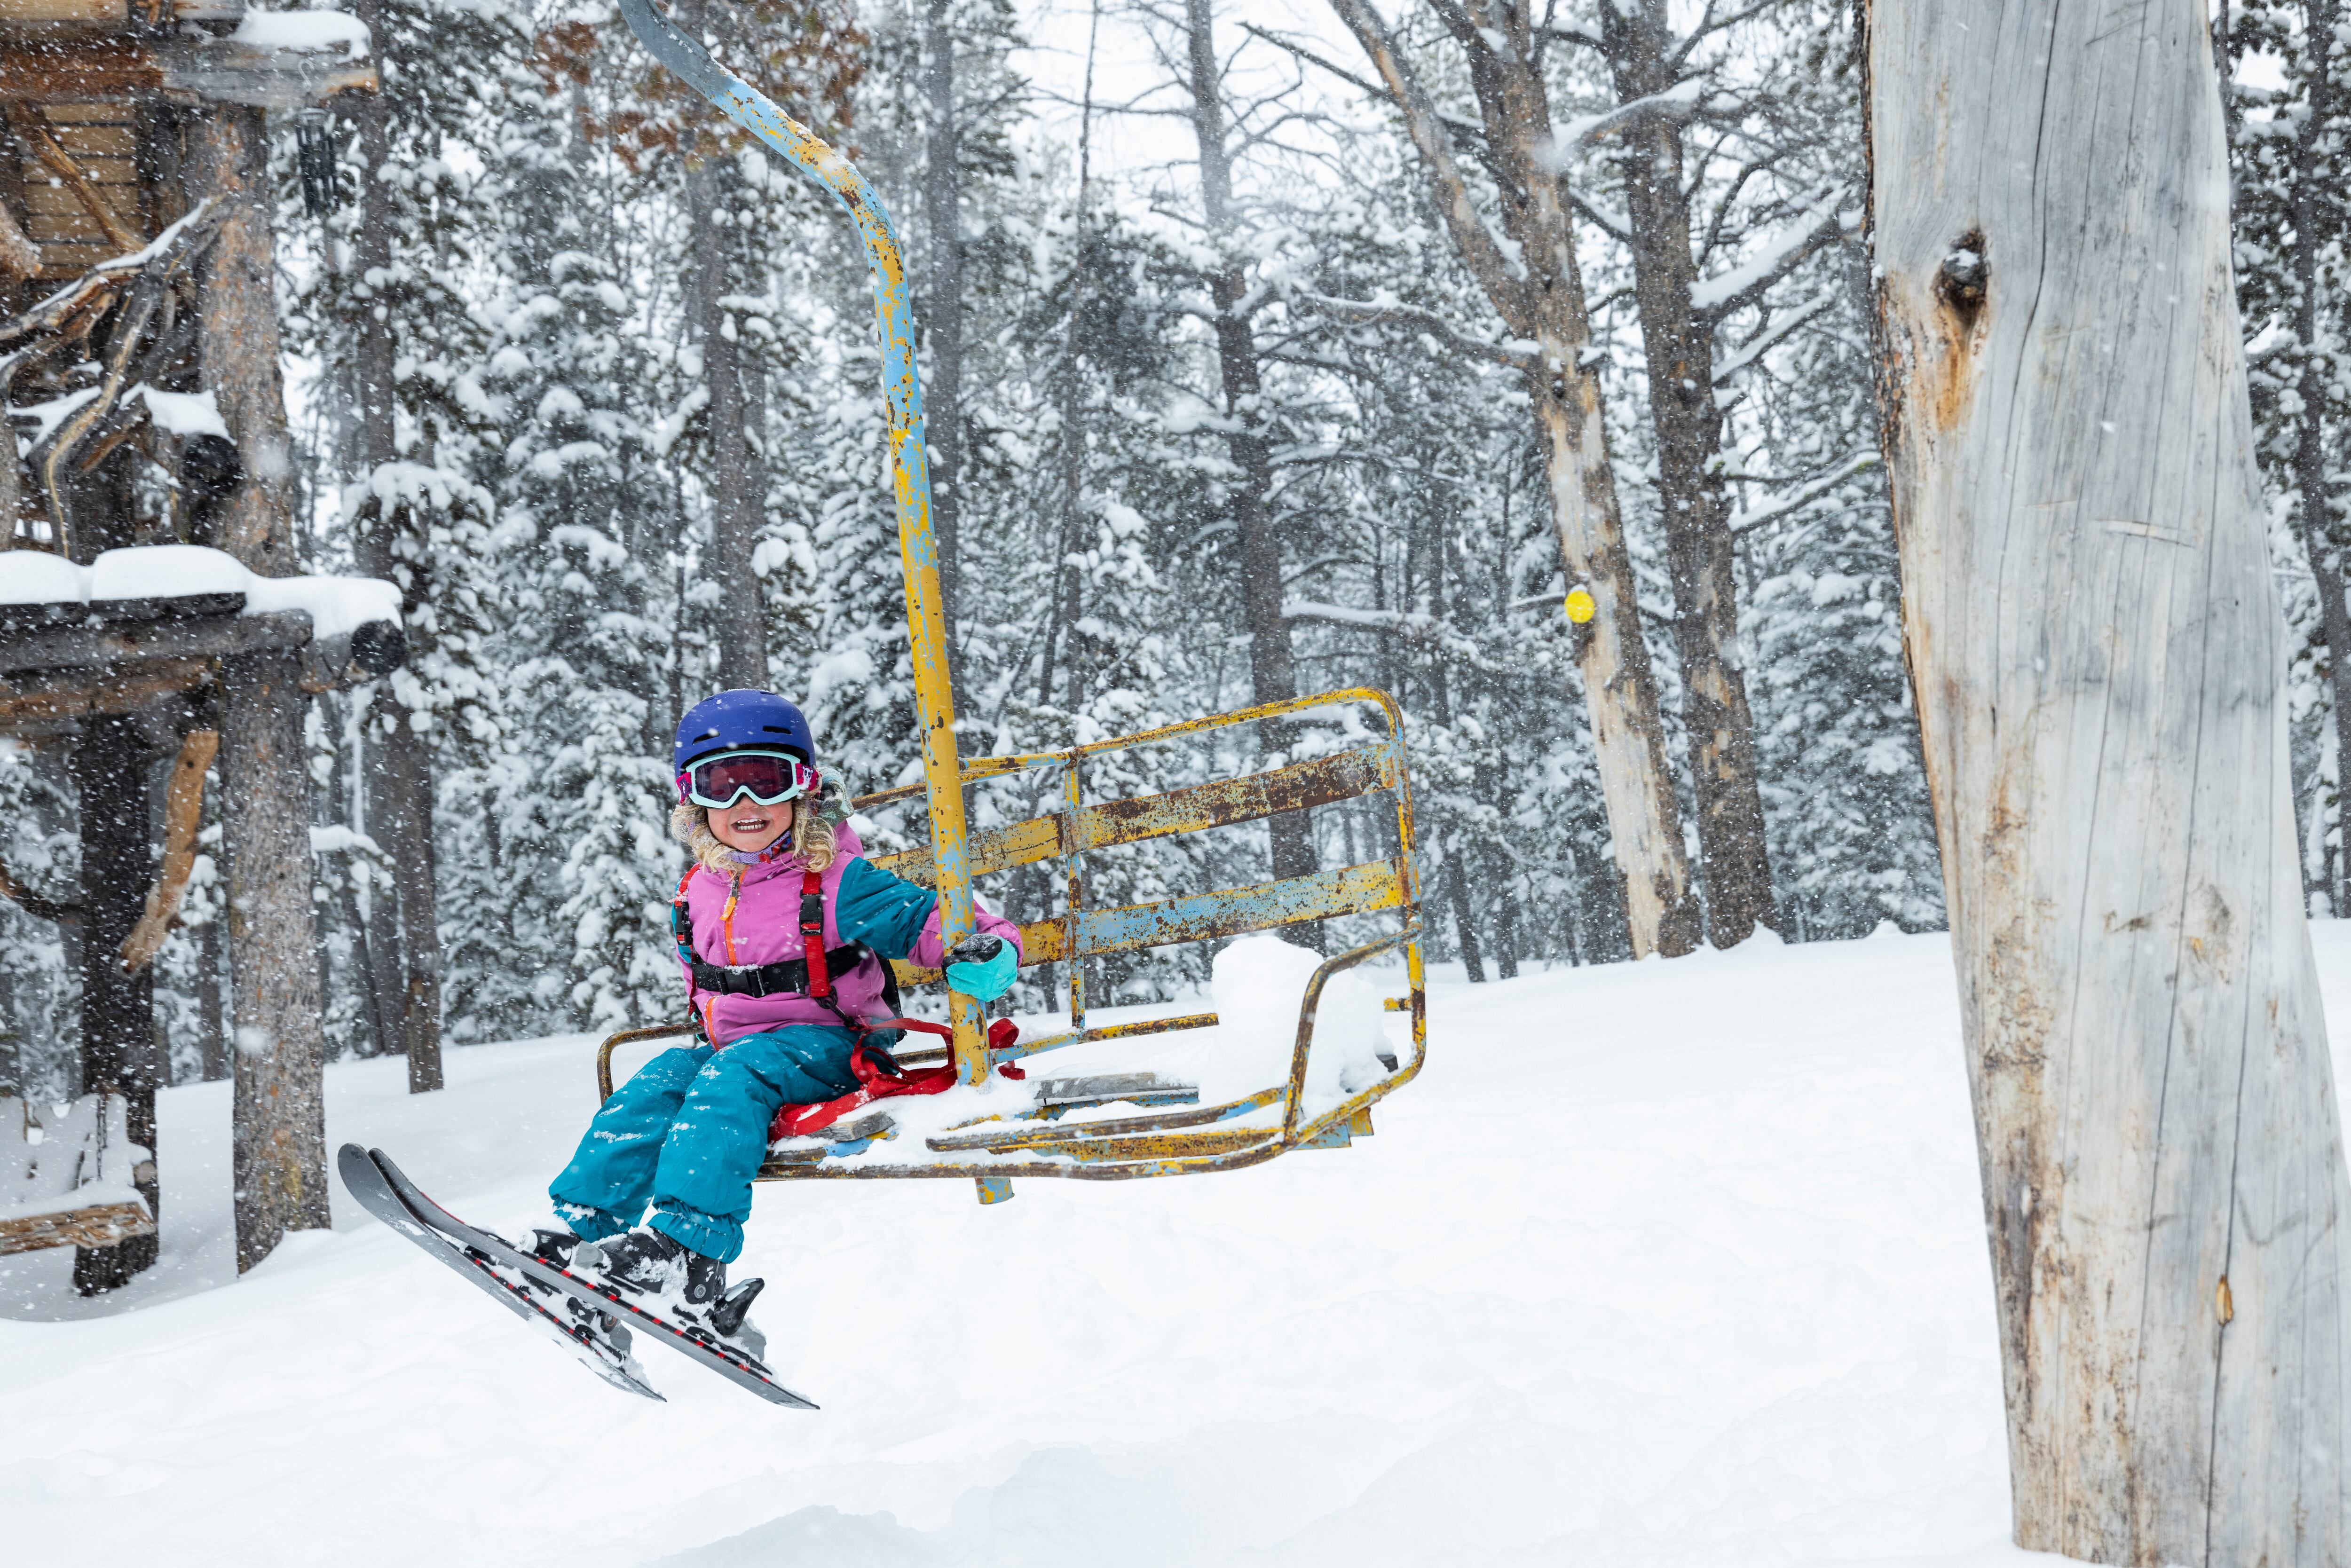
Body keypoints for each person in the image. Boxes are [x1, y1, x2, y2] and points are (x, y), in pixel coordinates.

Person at [536, 688, 1021, 1324]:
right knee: (659, 1080)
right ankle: (584, 1238)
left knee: (731, 1075)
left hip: (832, 1047)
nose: (745, 805)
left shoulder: (836, 879)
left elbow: (935, 923)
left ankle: (689, 1255)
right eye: (721, 785)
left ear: (803, 791)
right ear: (693, 799)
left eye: (766, 782)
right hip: (737, 1053)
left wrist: (990, 951)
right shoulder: (698, 891)